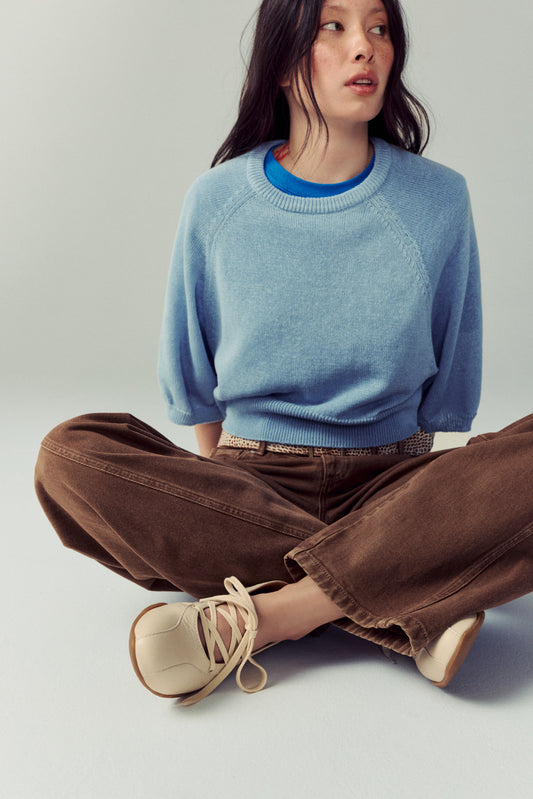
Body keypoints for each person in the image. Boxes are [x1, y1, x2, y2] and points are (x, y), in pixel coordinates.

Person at [35, 0, 533, 707]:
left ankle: (270, 613)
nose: (363, 46)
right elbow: (194, 387)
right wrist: (225, 505)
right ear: (280, 58)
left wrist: (419, 511)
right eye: (333, 25)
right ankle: (402, 601)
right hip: (249, 486)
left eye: (378, 27)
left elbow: (447, 392)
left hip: (395, 484)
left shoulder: (437, 201)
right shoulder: (216, 201)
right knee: (69, 455)